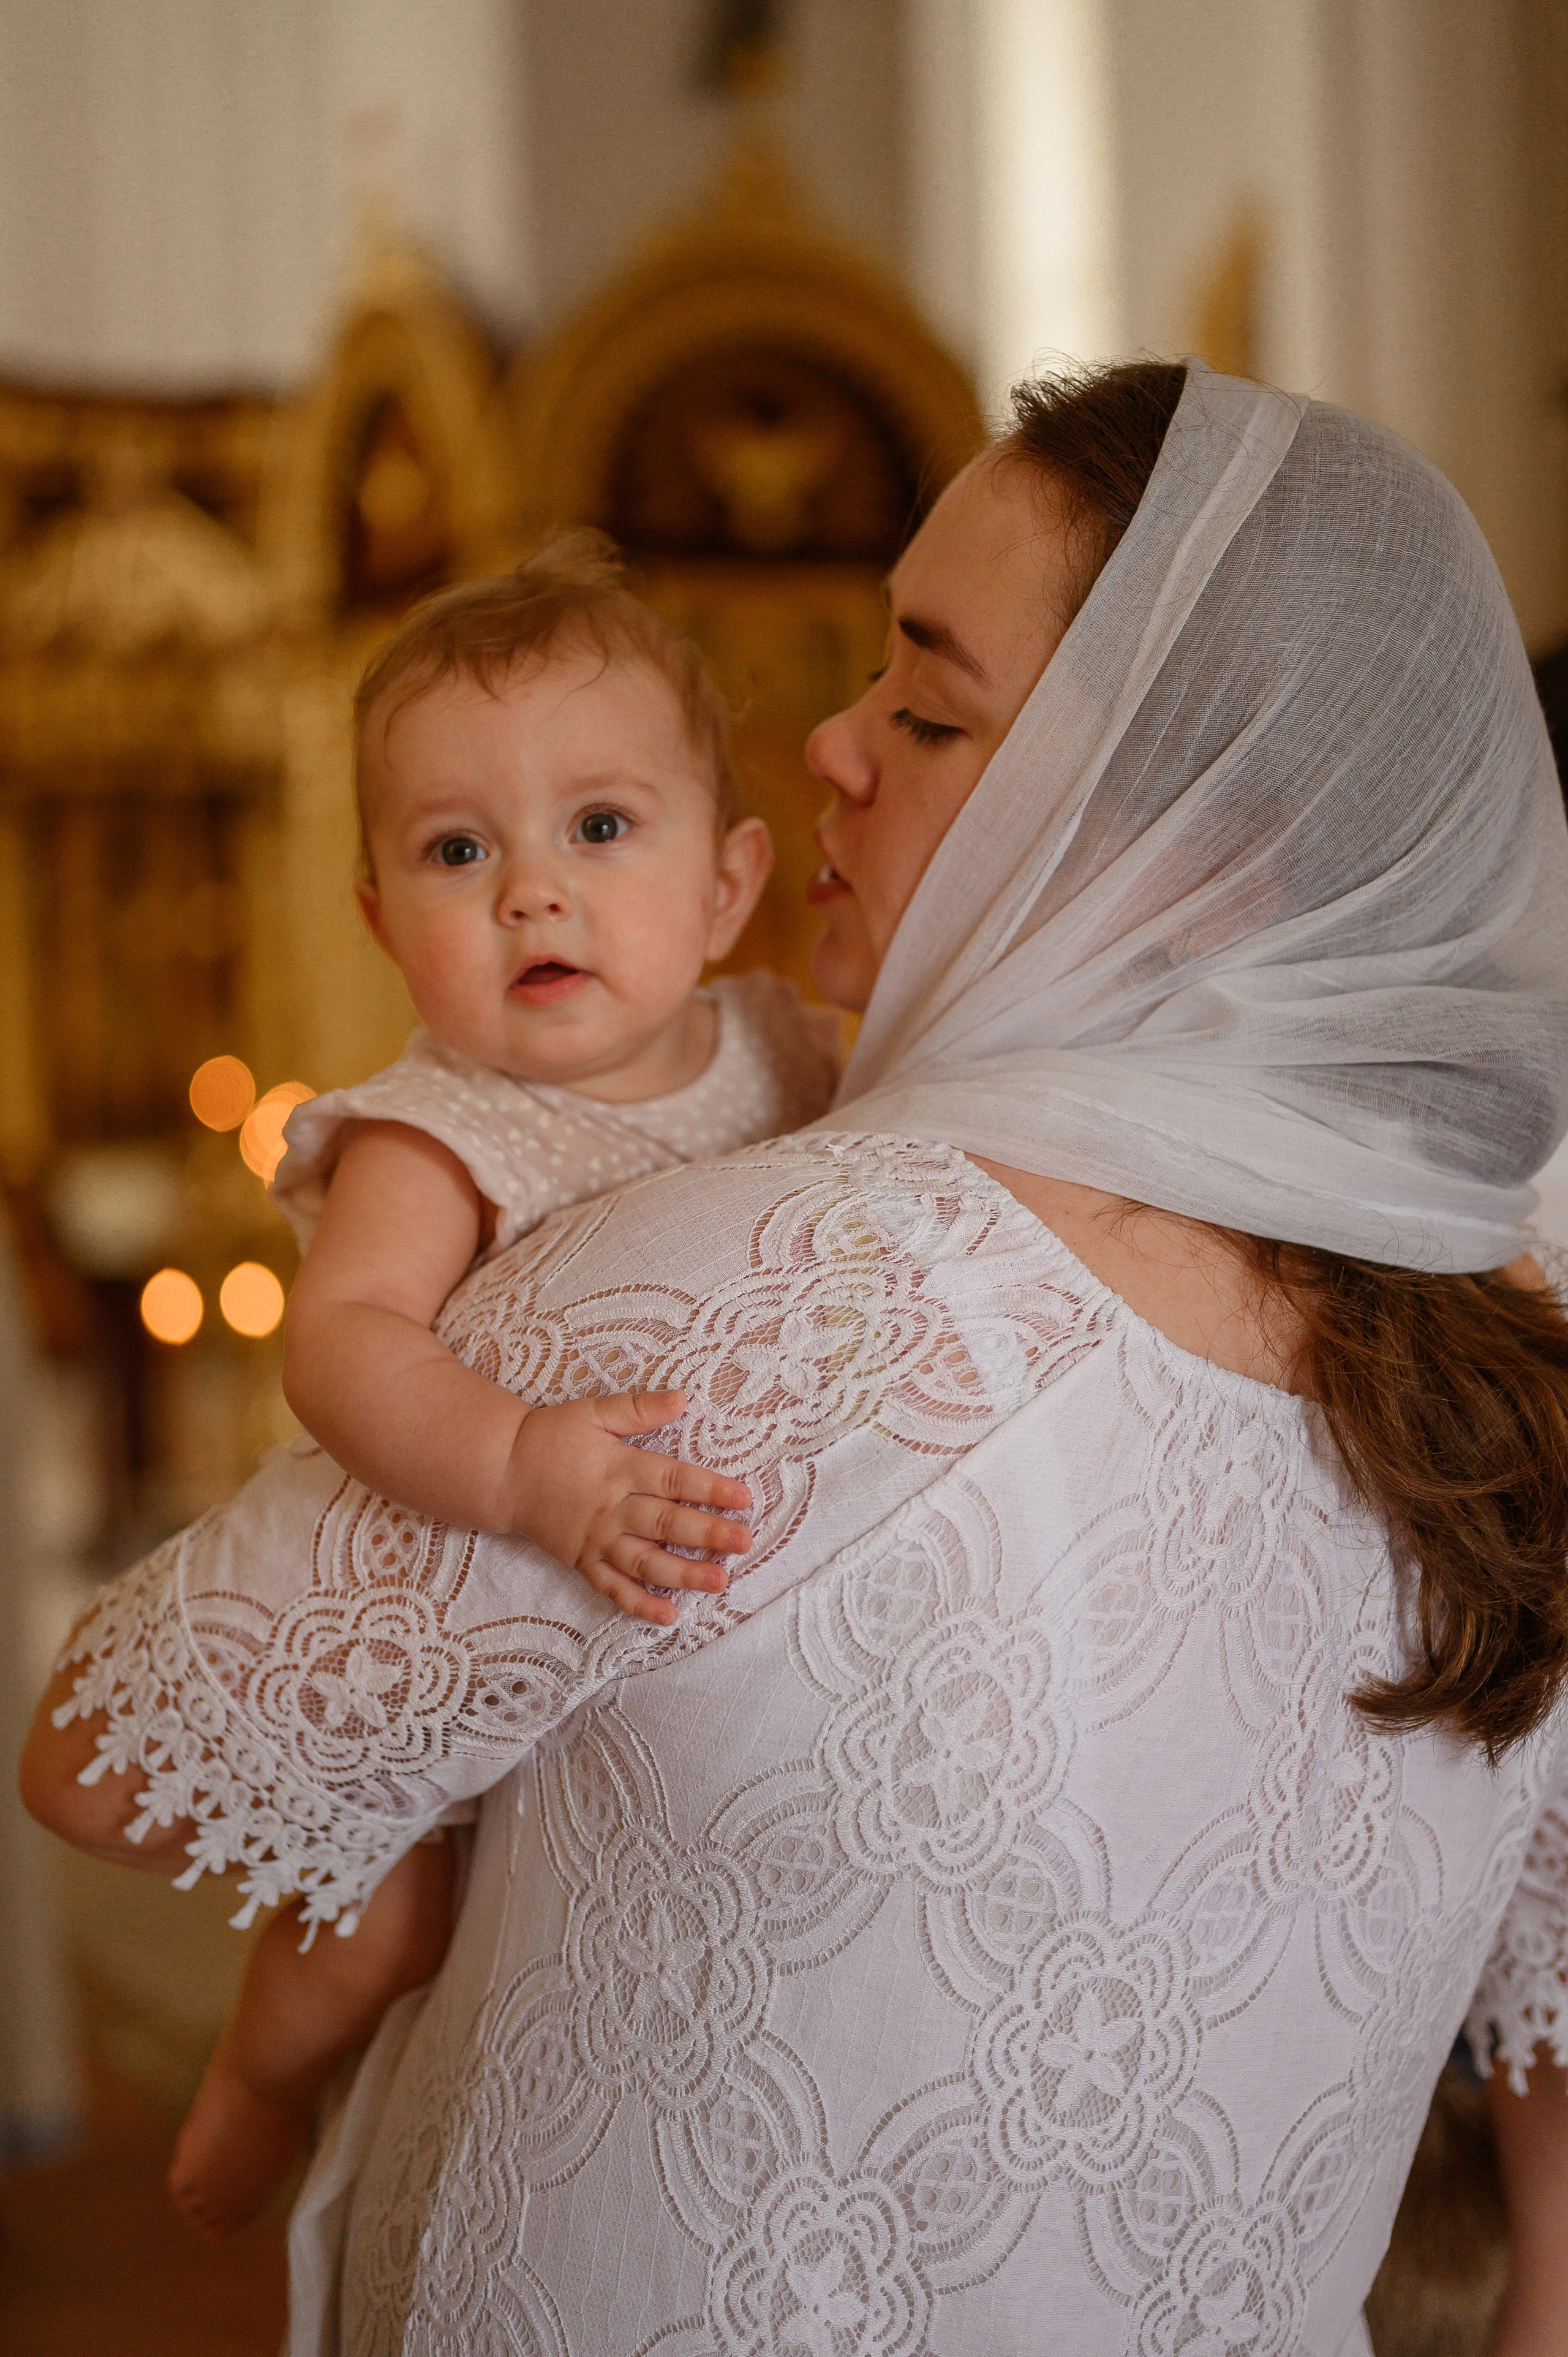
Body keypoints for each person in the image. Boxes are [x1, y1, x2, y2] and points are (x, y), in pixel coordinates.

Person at [22, 358, 1568, 2357]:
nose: (826, 744)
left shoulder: (746, 1291)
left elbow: (108, 1762)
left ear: (1179, 855)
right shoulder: (1506, 1365)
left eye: (928, 708)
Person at [167, 540, 840, 2236]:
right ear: (384, 919)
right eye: (459, 852)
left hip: (680, 1609)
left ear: (729, 881)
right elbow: (346, 1343)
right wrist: (525, 1462)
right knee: (384, 1928)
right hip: (476, 1576)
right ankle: (255, 2086)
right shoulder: (437, 1128)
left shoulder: (792, 1047)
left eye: (600, 830)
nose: (530, 891)